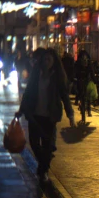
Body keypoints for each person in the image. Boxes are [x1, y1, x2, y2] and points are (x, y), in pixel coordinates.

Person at [17, 48, 75, 182]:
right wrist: (21, 110)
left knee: (47, 145)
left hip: (50, 117)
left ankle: (43, 170)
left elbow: (64, 96)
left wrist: (70, 114)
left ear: (54, 61)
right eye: (45, 59)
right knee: (34, 143)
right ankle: (44, 163)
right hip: (34, 115)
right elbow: (28, 94)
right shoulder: (36, 74)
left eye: (49, 59)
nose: (46, 61)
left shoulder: (57, 77)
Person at [75, 50, 95, 124]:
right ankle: (89, 110)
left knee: (81, 95)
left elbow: (75, 72)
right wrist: (94, 80)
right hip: (87, 81)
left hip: (80, 81)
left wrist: (74, 78)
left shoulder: (78, 62)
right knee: (88, 96)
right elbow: (92, 72)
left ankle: (83, 113)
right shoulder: (89, 62)